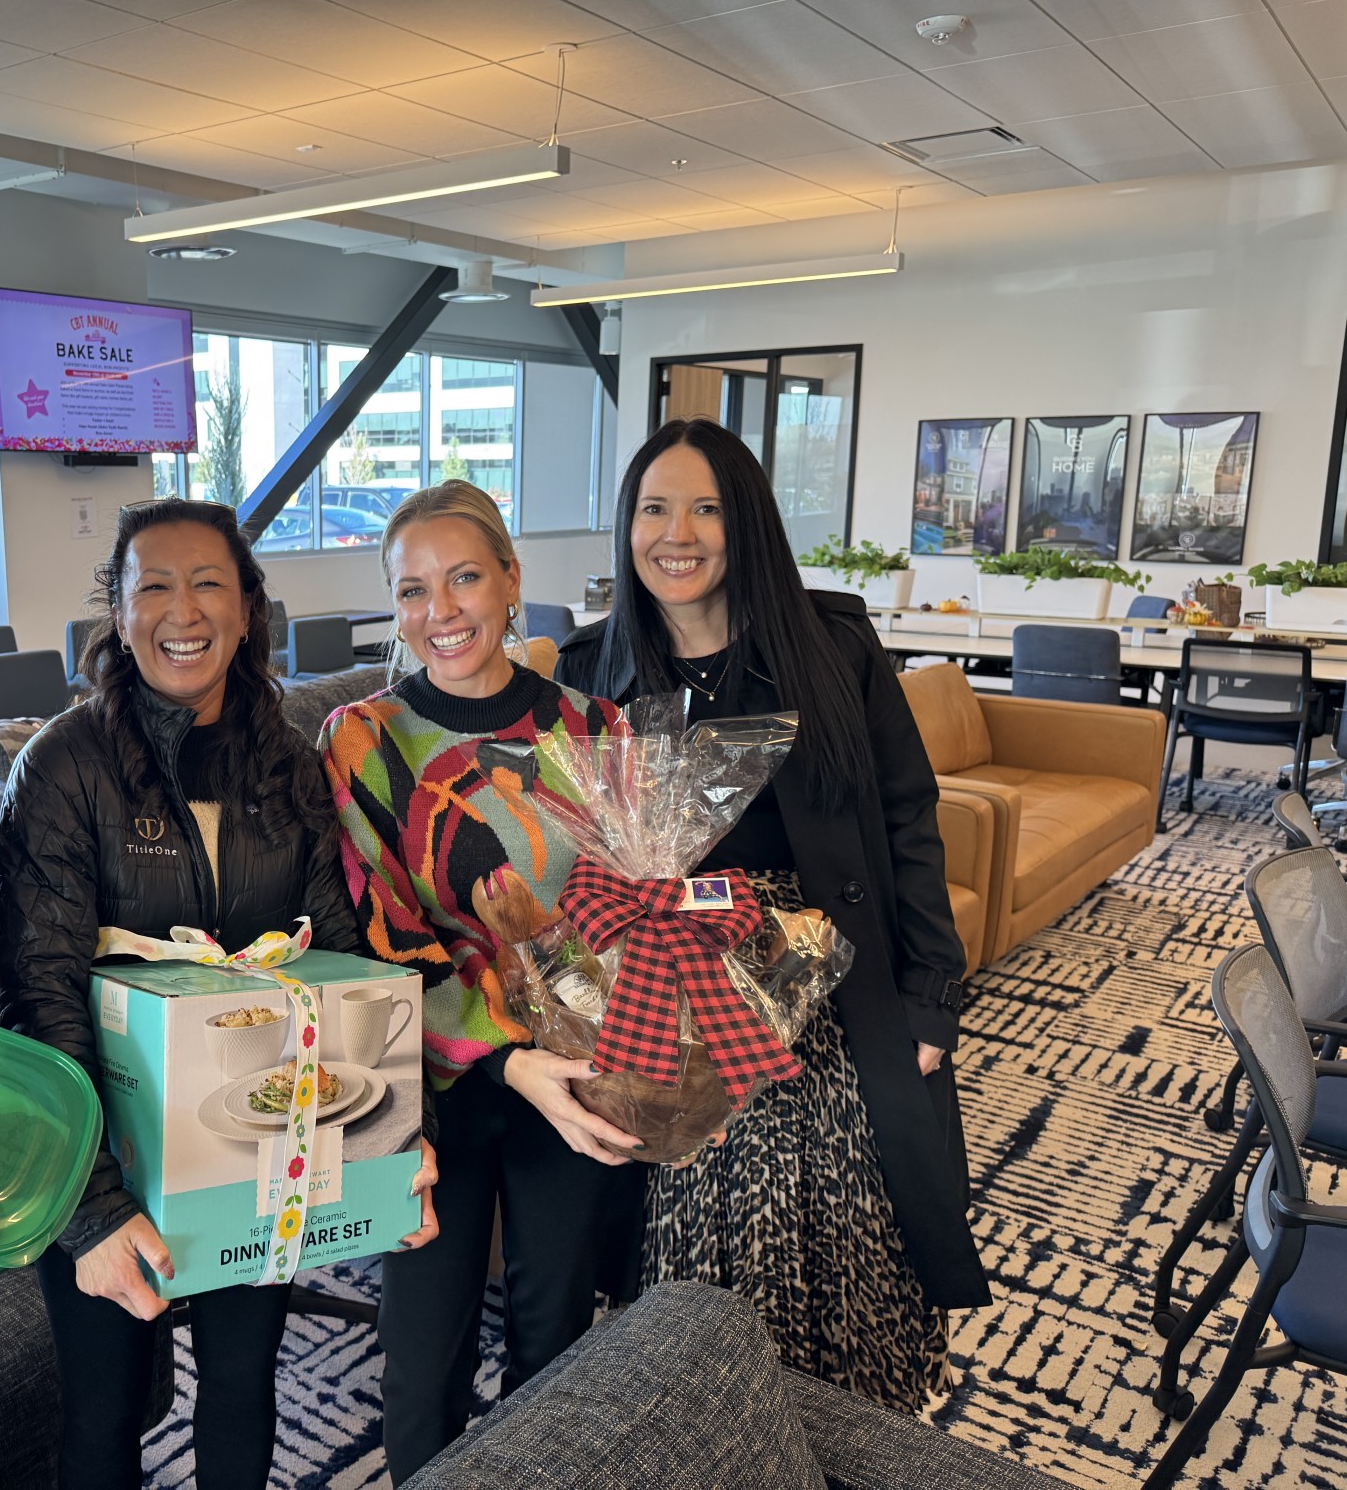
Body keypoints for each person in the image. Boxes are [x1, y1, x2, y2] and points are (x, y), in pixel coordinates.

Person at [555, 416, 991, 1412]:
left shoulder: (831, 645)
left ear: (746, 522)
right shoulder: (588, 673)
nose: (677, 534)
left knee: (852, 1207)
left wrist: (930, 996)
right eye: (653, 509)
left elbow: (907, 815)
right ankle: (713, 1419)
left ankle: (853, 1424)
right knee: (696, 1212)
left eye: (705, 509)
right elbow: (565, 860)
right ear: (625, 527)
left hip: (830, 980)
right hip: (667, 995)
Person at [0, 498, 433, 1490]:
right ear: (119, 614)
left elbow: (345, 963)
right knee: (105, 1410)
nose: (181, 610)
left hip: (252, 1146)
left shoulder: (288, 764)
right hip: (94, 1149)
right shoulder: (63, 766)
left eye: (207, 584)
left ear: (245, 611)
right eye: (152, 585)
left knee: (242, 1384)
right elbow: (38, 1001)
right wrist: (91, 1209)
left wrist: (401, 1142)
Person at [319, 480, 646, 1484]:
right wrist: (505, 1055)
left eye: (463, 578)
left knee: (556, 1335)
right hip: (428, 1082)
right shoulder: (363, 738)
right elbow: (380, 932)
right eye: (411, 590)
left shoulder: (596, 727)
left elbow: (631, 907)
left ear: (511, 580)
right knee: (423, 1353)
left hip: (575, 1071)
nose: (440, 611)